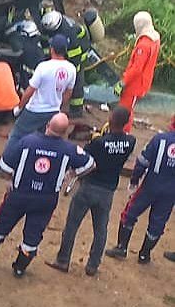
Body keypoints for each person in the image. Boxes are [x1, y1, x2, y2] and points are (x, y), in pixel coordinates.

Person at [0, 113, 94, 277]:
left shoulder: (27, 141)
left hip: (19, 194)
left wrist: (12, 179)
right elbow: (90, 164)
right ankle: (19, 268)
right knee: (33, 235)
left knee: (1, 224)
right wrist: (71, 173)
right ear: (64, 131)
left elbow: (4, 166)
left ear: (48, 125)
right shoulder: (68, 149)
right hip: (46, 200)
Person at [46, 106, 135, 276]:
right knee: (101, 229)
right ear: (126, 123)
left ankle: (63, 260)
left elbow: (84, 158)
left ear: (110, 119)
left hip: (89, 185)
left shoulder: (98, 142)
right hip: (108, 191)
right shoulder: (130, 141)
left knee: (72, 225)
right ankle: (93, 265)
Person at [105, 113, 175, 264]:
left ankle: (122, 247)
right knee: (158, 222)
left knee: (130, 213)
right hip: (171, 190)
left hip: (151, 185)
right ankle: (144, 255)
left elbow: (143, 161)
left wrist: (134, 180)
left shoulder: (160, 139)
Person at [5, 34, 76, 151]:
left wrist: (19, 107)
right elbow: (68, 93)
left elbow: (30, 90)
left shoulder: (43, 67)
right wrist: (58, 106)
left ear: (51, 49)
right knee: (44, 139)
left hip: (34, 110)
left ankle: (6, 163)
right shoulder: (71, 69)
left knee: (16, 135)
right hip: (53, 111)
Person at [114, 11, 161, 132]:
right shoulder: (155, 38)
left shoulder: (143, 45)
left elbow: (136, 68)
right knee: (128, 109)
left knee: (125, 111)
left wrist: (123, 82)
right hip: (143, 81)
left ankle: (123, 134)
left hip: (135, 84)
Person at [41, 10, 92, 118]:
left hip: (80, 50)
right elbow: (47, 41)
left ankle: (76, 110)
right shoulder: (52, 23)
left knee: (77, 80)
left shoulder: (69, 33)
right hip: (68, 49)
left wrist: (73, 72)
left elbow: (75, 55)